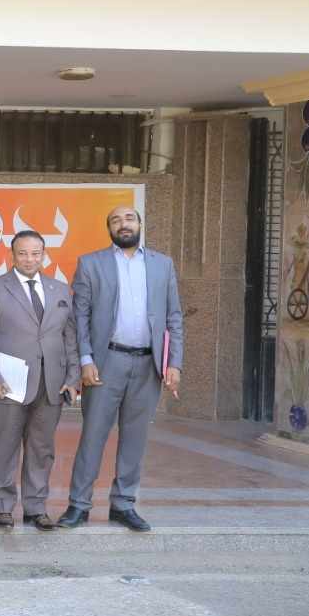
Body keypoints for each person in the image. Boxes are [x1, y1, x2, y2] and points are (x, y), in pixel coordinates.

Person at [63, 206, 183, 532]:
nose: (123, 224)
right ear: (109, 229)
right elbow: (80, 317)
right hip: (105, 363)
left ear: (140, 224)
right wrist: (85, 359)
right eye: (115, 220)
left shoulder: (162, 264)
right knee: (93, 436)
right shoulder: (91, 263)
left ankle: (124, 504)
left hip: (148, 365)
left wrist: (174, 363)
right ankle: (79, 505)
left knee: (135, 438)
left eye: (129, 218)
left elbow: (174, 317)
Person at [0, 230, 80, 531]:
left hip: (51, 383)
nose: (29, 259)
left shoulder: (60, 289)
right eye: (22, 253)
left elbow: (70, 336)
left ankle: (36, 508)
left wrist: (73, 377)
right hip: (7, 384)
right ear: (12, 255)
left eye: (35, 253)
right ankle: (2, 507)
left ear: (44, 255)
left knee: (42, 449)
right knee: (3, 447)